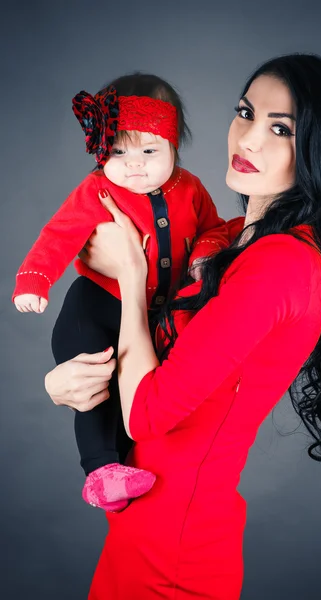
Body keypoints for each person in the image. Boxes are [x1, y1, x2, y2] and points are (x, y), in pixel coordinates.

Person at [44, 54, 321, 599]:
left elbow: (148, 413)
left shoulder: (284, 262)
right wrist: (64, 381)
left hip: (176, 553)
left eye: (281, 128)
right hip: (138, 527)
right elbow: (136, 354)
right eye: (245, 112)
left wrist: (133, 276)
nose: (248, 139)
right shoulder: (226, 238)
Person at [12, 73, 230, 512]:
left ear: (174, 148)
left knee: (137, 398)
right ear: (101, 151)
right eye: (118, 152)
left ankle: (124, 473)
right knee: (95, 386)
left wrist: (206, 252)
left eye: (149, 151)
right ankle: (99, 470)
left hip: (150, 315)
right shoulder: (97, 188)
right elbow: (59, 235)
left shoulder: (190, 189)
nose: (134, 165)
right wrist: (34, 278)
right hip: (93, 307)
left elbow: (215, 230)